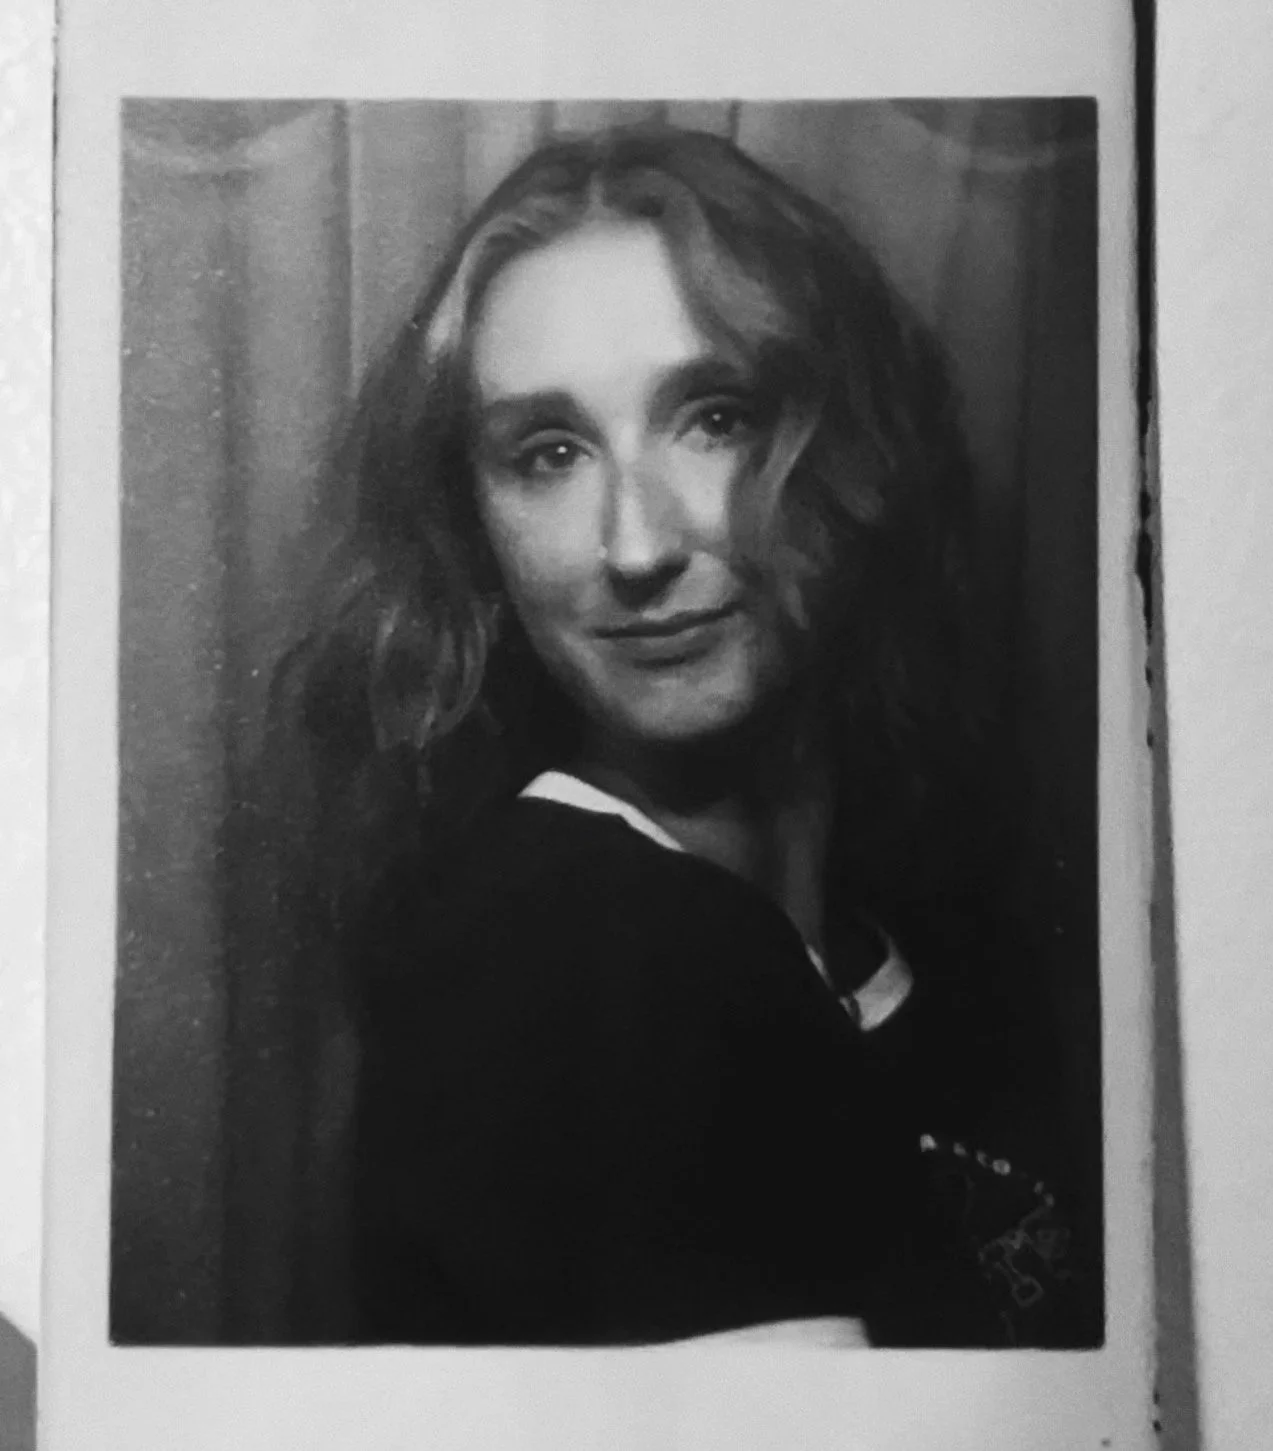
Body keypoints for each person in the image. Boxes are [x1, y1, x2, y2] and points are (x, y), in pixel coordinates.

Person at [277, 123, 1094, 1348]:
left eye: (714, 417)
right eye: (548, 453)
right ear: (473, 527)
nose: (636, 543)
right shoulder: (557, 953)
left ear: (854, 444)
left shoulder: (919, 952)